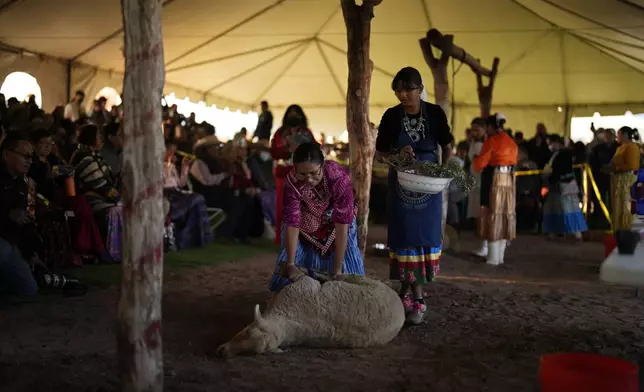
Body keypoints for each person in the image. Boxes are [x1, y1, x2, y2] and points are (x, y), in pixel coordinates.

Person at [375, 67, 452, 325]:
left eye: (408, 89)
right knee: (405, 237)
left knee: (424, 237)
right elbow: (380, 154)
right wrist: (397, 154)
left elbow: (447, 146)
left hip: (429, 184)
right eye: (398, 90)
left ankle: (408, 293)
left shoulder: (435, 114)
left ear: (420, 88)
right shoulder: (391, 116)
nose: (402, 94)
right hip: (401, 184)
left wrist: (445, 173)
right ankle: (417, 298)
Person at [269, 142, 364, 292]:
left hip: (337, 221)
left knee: (345, 275)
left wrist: (338, 270)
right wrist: (291, 264)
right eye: (302, 174)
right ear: (295, 168)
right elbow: (292, 222)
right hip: (307, 223)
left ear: (322, 164)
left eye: (314, 173)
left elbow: (341, 225)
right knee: (289, 235)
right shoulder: (292, 182)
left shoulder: (338, 177)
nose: (309, 179)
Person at [472, 113, 518, 265]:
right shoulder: (511, 142)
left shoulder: (491, 142)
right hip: (509, 180)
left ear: (491, 127)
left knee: (492, 214)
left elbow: (480, 164)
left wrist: (475, 162)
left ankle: (492, 258)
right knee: (505, 214)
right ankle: (500, 257)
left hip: (493, 180)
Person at [0, 132, 39, 296]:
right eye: (25, 156)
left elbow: (24, 218)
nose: (29, 160)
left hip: (9, 242)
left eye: (31, 156)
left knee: (29, 289)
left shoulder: (21, 182)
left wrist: (31, 252)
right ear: (7, 154)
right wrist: (7, 215)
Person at [270, 104, 314, 244]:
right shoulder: (279, 132)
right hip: (283, 172)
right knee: (282, 205)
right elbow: (274, 152)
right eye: (291, 113)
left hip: (302, 173)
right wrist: (288, 147)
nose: (293, 116)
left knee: (302, 206)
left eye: (296, 113)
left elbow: (314, 150)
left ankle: (301, 239)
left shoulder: (306, 132)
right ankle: (282, 239)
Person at [163, 142, 213, 250]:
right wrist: (168, 166)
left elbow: (181, 184)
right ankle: (173, 216)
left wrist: (184, 167)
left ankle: (198, 239)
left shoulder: (171, 166)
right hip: (167, 194)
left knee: (197, 203)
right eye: (170, 151)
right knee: (198, 199)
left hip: (176, 193)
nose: (173, 153)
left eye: (174, 151)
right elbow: (164, 183)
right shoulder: (159, 166)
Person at [541, 135, 587, 241]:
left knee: (564, 209)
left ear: (556, 142)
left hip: (561, 185)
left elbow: (557, 170)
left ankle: (566, 233)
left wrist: (550, 179)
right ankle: (575, 233)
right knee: (570, 208)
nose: (549, 146)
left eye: (550, 143)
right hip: (568, 184)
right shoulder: (567, 153)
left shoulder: (561, 154)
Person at [603, 126, 641, 231]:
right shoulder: (620, 147)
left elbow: (632, 166)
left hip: (627, 181)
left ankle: (628, 231)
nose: (617, 136)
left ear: (624, 135)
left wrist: (616, 168)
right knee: (618, 207)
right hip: (619, 181)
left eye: (618, 134)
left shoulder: (632, 147)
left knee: (626, 207)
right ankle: (618, 230)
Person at [467, 117, 486, 221]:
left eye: (477, 130)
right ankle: (472, 218)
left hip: (482, 175)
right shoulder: (473, 143)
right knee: (473, 198)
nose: (474, 133)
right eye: (472, 130)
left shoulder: (486, 144)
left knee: (479, 198)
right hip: (474, 175)